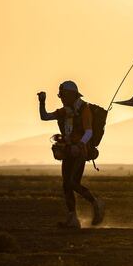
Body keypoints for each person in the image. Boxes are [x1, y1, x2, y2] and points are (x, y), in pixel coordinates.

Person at [38, 80, 105, 229]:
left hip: (79, 152)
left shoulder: (84, 109)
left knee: (73, 182)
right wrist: (42, 102)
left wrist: (80, 145)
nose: (61, 98)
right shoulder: (64, 111)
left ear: (71, 95)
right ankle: (73, 218)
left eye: (63, 95)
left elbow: (89, 131)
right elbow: (44, 117)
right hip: (68, 151)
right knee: (66, 185)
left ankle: (96, 203)